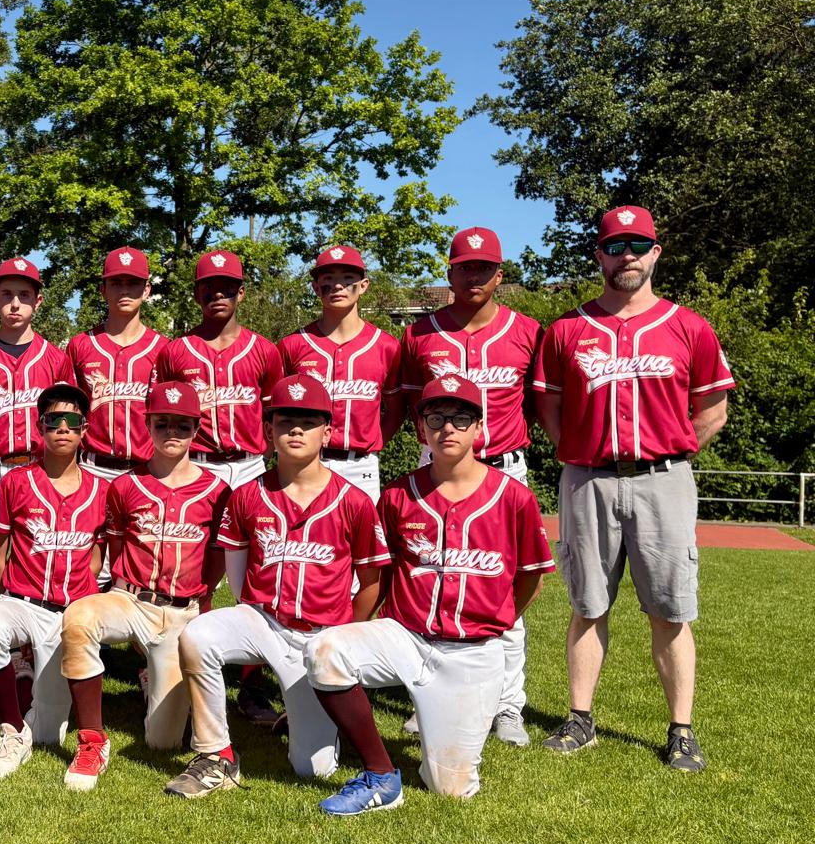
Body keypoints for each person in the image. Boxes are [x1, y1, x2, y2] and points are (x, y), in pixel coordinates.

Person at [532, 205, 733, 772]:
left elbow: (713, 409)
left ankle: (681, 729)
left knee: (670, 609)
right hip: (588, 479)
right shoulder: (567, 329)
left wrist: (672, 450)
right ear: (599, 255)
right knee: (587, 604)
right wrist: (581, 449)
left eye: (638, 246)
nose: (627, 256)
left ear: (655, 253)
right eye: (615, 246)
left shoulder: (688, 326)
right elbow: (549, 406)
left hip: (663, 480)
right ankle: (580, 720)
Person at [305, 376, 555, 814]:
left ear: (479, 428)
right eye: (436, 418)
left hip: (472, 653)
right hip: (407, 637)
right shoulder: (398, 494)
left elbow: (531, 577)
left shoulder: (513, 497)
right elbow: (380, 572)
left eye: (461, 418)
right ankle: (381, 774)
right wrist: (359, 628)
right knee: (326, 650)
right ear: (422, 429)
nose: (448, 428)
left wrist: (496, 619)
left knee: (449, 789)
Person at [167, 375, 390, 798]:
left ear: (328, 432)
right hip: (263, 620)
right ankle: (217, 755)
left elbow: (371, 581)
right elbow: (237, 576)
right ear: (269, 430)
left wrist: (344, 636)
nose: (296, 430)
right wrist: (250, 615)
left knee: (313, 769)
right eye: (286, 421)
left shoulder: (354, 500)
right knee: (198, 635)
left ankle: (304, 714)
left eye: (309, 421)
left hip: (321, 637)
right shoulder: (248, 495)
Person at [398, 226, 542, 747]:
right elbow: (409, 403)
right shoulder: (419, 333)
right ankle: (428, 698)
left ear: (499, 275)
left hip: (504, 469)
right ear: (450, 272)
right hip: (436, 467)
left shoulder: (528, 330)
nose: (473, 276)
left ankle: (507, 705)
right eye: (464, 267)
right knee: (429, 581)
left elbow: (537, 403)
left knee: (499, 585)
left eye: (483, 267)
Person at [58, 381, 230, 792]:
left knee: (162, 742)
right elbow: (117, 549)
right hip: (131, 600)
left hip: (183, 611)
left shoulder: (217, 491)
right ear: (148, 425)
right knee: (79, 618)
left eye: (183, 425)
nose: (172, 432)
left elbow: (217, 560)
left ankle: (156, 679)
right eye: (162, 423)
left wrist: (201, 603)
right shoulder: (125, 486)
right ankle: (92, 740)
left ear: (196, 428)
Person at [0, 383, 107, 779]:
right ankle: (12, 731)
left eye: (72, 421)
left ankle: (37, 719)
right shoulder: (15, 482)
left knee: (48, 733)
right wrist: (11, 599)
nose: (62, 428)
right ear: (40, 427)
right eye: (53, 420)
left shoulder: (102, 489)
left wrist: (79, 601)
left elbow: (97, 558)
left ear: (84, 430)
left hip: (71, 614)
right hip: (22, 601)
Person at [0, 257, 74, 608]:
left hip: (38, 466)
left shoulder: (55, 358)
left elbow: (66, 418)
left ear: (38, 301)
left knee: (31, 548)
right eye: (7, 294)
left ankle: (24, 631)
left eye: (24, 295)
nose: (15, 303)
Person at [278, 245, 404, 501]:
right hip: (304, 462)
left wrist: (369, 443)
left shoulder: (386, 346)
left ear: (364, 285)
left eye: (347, 279)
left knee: (362, 528)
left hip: (361, 465)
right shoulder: (293, 345)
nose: (337, 286)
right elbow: (277, 409)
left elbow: (396, 409)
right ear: (315, 287)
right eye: (328, 279)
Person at [156, 249, 282, 491]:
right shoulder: (174, 351)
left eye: (227, 287)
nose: (218, 294)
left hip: (251, 465)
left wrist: (265, 455)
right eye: (209, 287)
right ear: (196, 294)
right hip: (196, 464)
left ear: (241, 293)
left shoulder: (264, 349)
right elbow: (161, 414)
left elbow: (274, 413)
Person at [66, 247, 167, 483]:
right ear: (103, 289)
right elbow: (68, 411)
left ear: (147, 290)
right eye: (116, 283)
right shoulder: (80, 345)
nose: (124, 290)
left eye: (133, 283)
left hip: (149, 470)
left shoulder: (164, 349)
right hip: (92, 469)